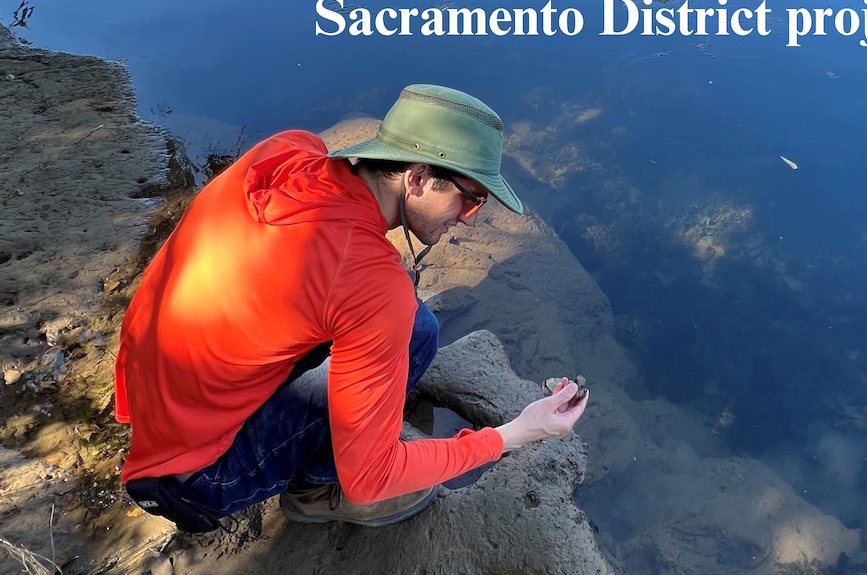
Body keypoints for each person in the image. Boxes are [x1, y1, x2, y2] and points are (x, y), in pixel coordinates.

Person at [114, 84, 588, 531]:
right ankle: (315, 494)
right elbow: (370, 478)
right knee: (407, 324)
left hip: (157, 407)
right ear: (418, 178)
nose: (468, 220)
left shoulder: (287, 154)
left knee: (413, 323)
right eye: (470, 200)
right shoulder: (369, 284)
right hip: (195, 480)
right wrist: (517, 431)